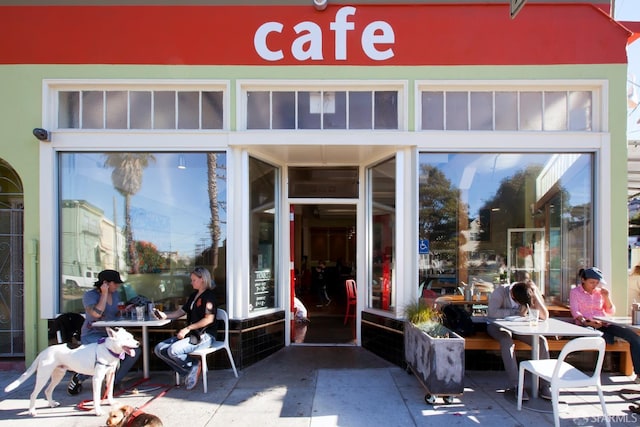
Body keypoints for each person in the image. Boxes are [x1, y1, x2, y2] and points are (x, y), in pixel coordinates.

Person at [67, 269, 140, 395]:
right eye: (114, 283)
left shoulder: (116, 294)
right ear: (105, 283)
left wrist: (125, 310)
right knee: (105, 353)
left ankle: (113, 382)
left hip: (111, 334)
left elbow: (114, 313)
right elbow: (96, 313)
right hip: (93, 334)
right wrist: (104, 293)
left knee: (135, 351)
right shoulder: (90, 295)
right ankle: (79, 376)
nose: (117, 286)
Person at [570, 266, 640, 382]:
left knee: (633, 337)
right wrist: (587, 322)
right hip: (586, 324)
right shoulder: (575, 292)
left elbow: (610, 311)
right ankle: (609, 340)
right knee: (599, 336)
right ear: (583, 280)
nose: (594, 285)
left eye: (597, 283)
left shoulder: (600, 292)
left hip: (604, 323)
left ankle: (639, 374)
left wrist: (606, 297)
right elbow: (575, 311)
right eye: (592, 282)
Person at [153, 266, 217, 390]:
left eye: (194, 280)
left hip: (205, 335)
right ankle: (189, 371)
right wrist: (165, 316)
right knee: (159, 349)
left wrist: (187, 328)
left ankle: (194, 365)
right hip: (192, 335)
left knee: (173, 350)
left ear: (202, 279)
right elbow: (181, 312)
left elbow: (209, 319)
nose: (191, 282)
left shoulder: (209, 297)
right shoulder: (194, 296)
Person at [486, 280, 551, 401]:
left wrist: (535, 294)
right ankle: (517, 385)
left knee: (541, 341)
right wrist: (515, 312)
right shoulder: (500, 292)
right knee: (507, 341)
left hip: (519, 328)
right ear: (512, 295)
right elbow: (492, 312)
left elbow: (544, 316)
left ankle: (545, 384)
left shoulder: (527, 293)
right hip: (496, 327)